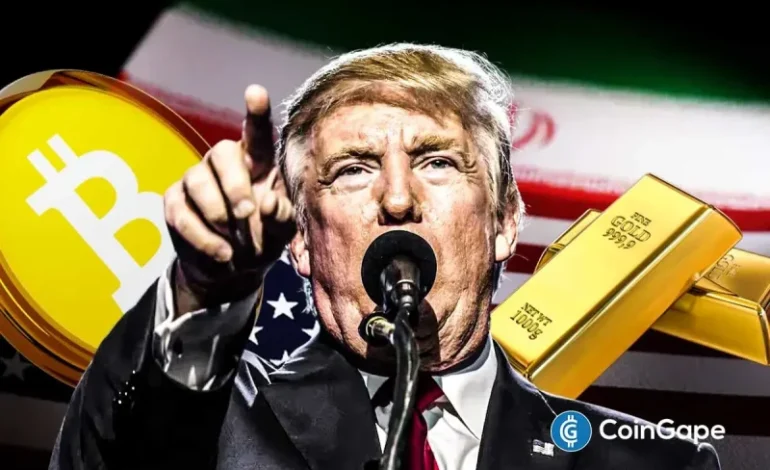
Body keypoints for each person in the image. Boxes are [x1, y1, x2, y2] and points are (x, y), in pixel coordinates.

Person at [49, 44, 720, 470]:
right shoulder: (220, 422)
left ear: (505, 221)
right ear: (302, 240)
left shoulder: (654, 464)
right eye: (352, 169)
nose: (397, 198)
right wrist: (203, 293)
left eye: (437, 161)